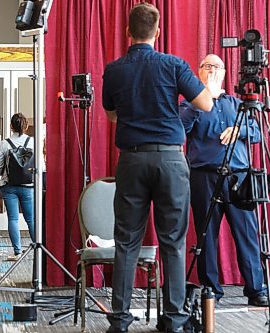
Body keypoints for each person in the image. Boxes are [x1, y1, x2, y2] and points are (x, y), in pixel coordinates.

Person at [102, 4, 221, 333]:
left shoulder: (113, 70)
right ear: (157, 33)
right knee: (173, 242)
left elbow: (112, 116)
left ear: (128, 32)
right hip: (170, 160)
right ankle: (173, 320)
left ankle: (120, 321)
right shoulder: (173, 65)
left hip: (132, 160)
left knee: (126, 241)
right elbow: (206, 104)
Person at [180, 54, 268, 307]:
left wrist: (239, 131)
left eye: (217, 67)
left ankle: (255, 289)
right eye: (207, 66)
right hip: (204, 176)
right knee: (206, 235)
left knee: (247, 234)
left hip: (239, 177)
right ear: (199, 71)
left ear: (225, 72)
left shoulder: (237, 103)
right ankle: (211, 290)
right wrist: (204, 95)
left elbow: (257, 132)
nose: (212, 71)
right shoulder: (189, 105)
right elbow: (180, 130)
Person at [0, 113, 35, 261]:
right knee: (31, 219)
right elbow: (40, 166)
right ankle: (38, 251)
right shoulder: (32, 142)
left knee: (13, 218)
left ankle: (17, 252)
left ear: (11, 126)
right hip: (28, 186)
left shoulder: (4, 144)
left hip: (9, 185)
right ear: (25, 126)